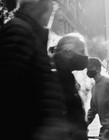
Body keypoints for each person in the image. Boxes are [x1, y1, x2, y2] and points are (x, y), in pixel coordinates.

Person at [0, 0, 68, 140]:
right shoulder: (19, 31)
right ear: (37, 5)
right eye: (50, 5)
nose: (51, 11)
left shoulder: (32, 36)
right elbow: (9, 90)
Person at [53, 32, 89, 140]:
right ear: (68, 52)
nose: (85, 56)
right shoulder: (57, 76)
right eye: (82, 51)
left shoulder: (66, 75)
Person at [86, 57, 109, 140]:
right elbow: (93, 110)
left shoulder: (108, 82)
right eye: (87, 68)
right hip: (104, 128)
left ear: (98, 69)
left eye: (90, 67)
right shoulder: (94, 88)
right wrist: (85, 124)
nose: (88, 70)